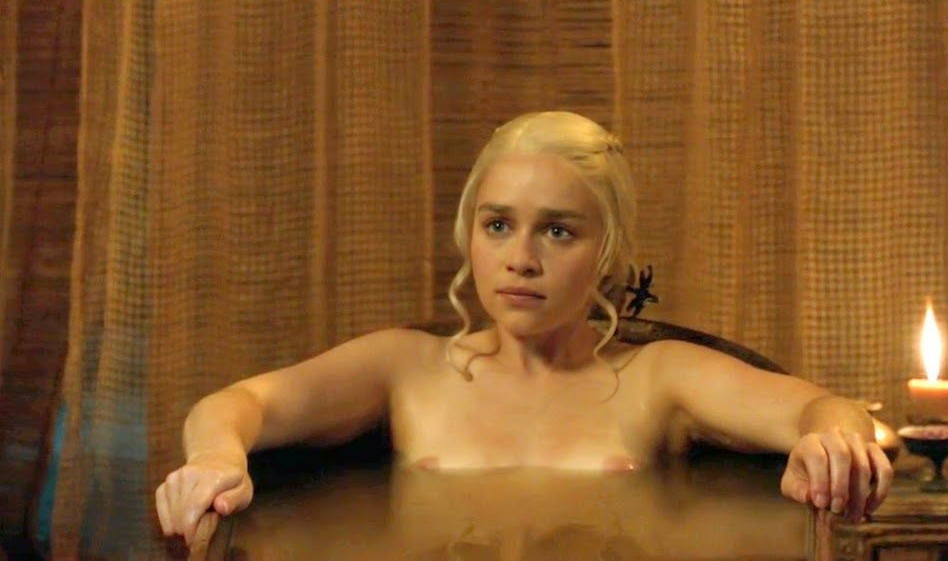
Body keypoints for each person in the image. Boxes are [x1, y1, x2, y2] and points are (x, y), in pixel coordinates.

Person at [156, 111, 893, 546]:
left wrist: (829, 446)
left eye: (558, 230)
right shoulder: (406, 368)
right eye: (498, 224)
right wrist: (217, 458)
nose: (521, 258)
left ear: (607, 253)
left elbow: (823, 408)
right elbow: (238, 403)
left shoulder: (656, 378)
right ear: (469, 234)